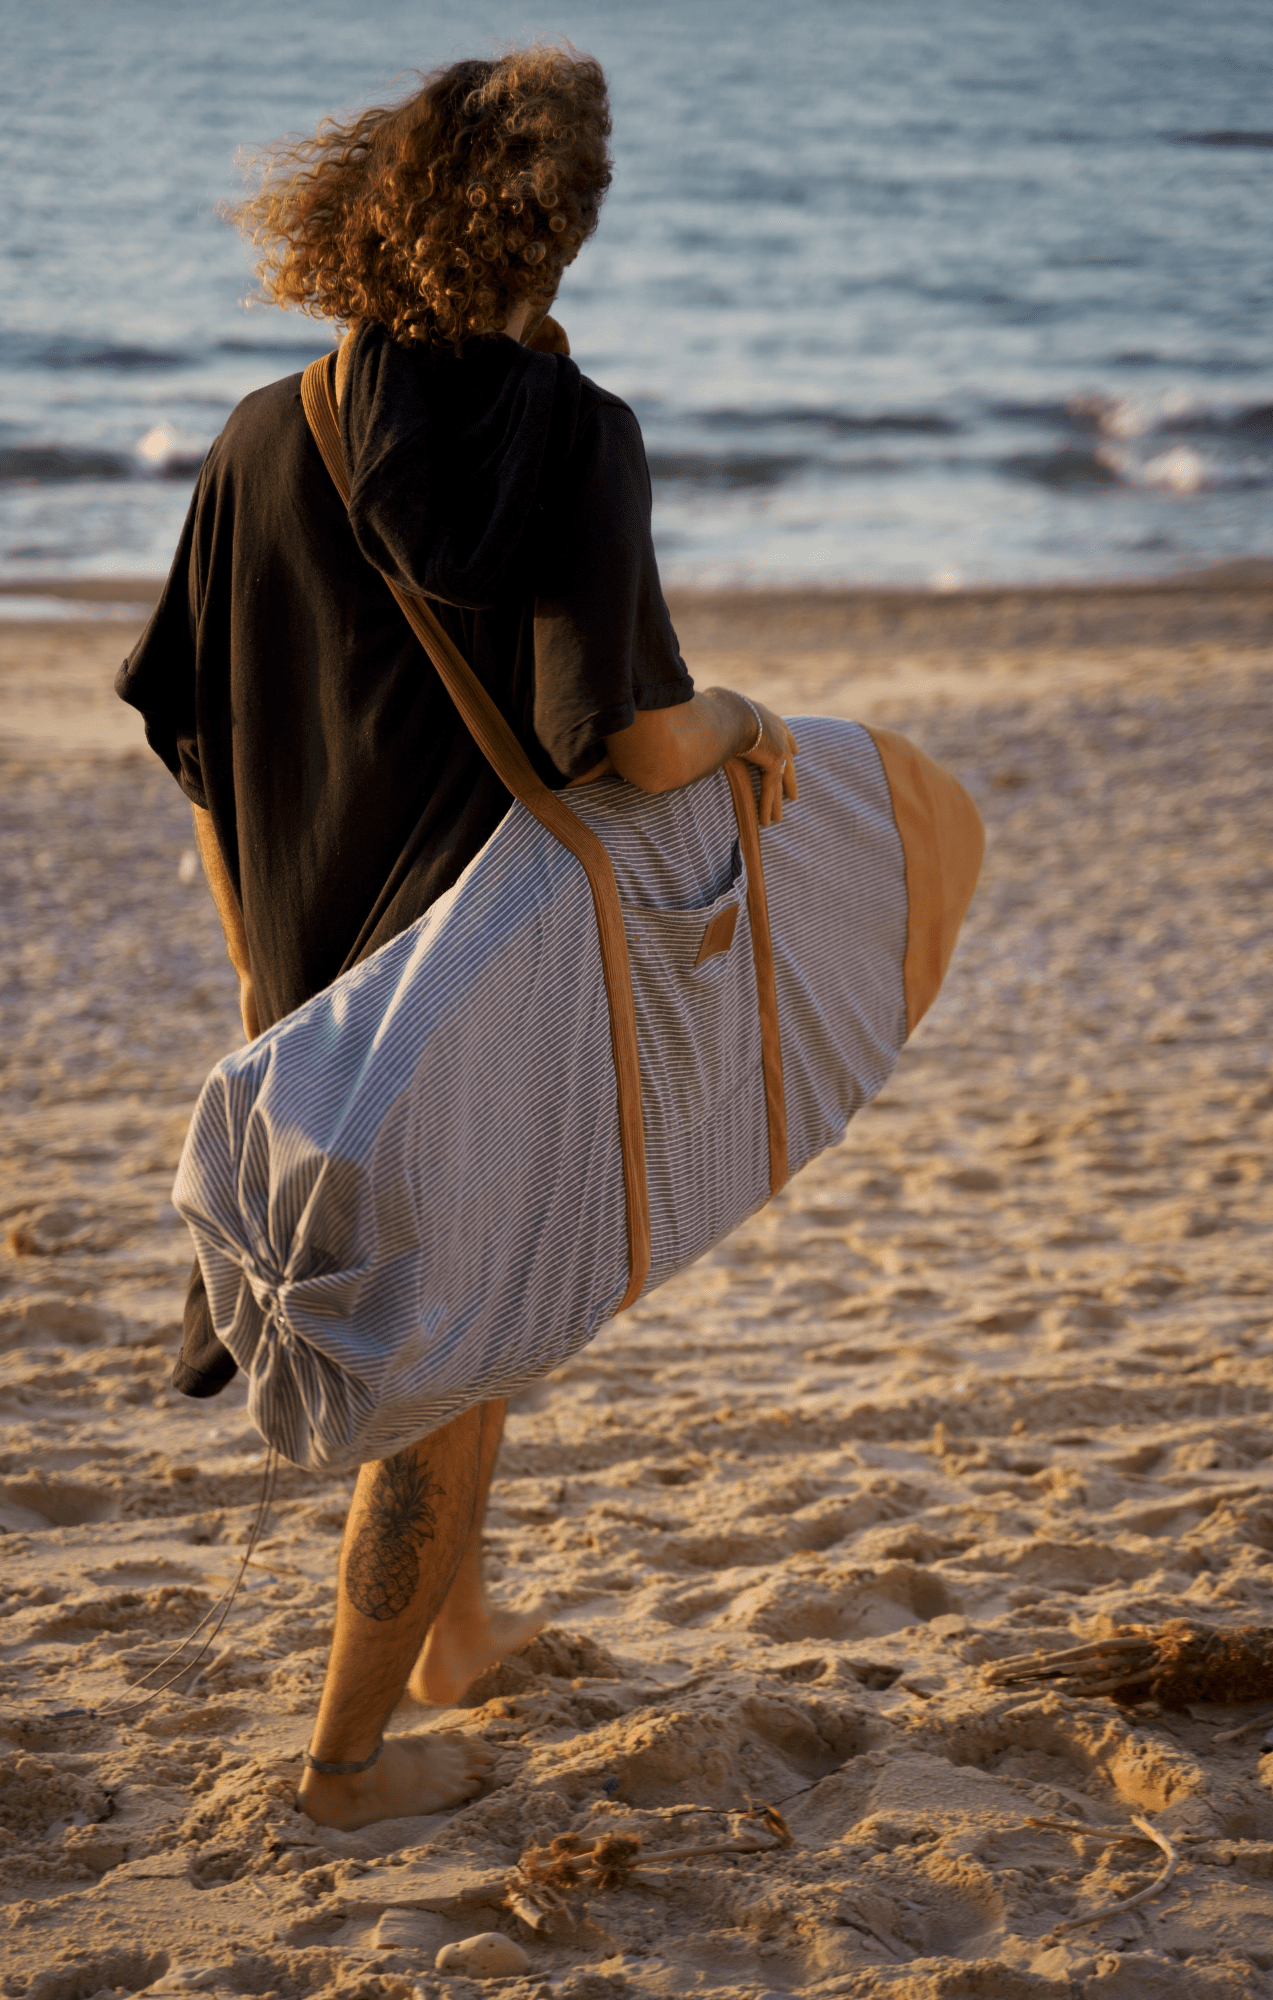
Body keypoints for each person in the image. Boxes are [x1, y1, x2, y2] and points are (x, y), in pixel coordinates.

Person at [117, 47, 799, 1831]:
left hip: (307, 972)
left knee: (467, 1341)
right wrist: (743, 714)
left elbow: (196, 738)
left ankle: (464, 1643)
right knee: (453, 1367)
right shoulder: (577, 438)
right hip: (483, 974)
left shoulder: (277, 430)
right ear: (563, 231)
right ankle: (343, 1767)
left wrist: (274, 980)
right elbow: (634, 741)